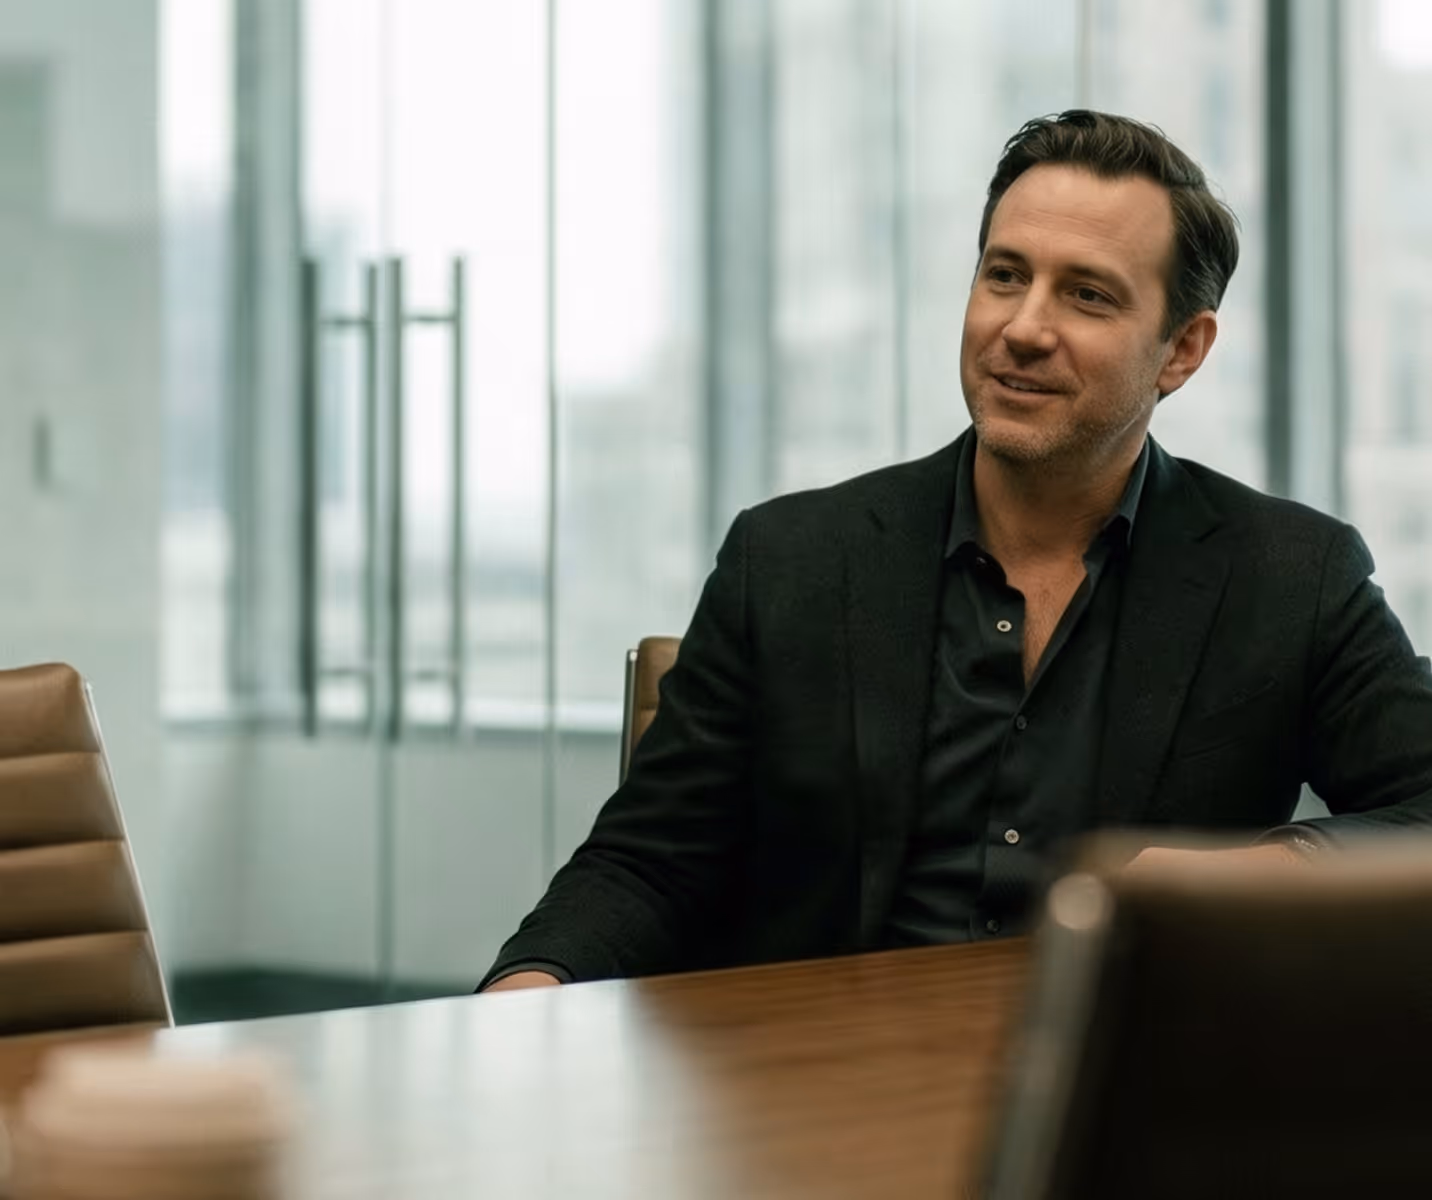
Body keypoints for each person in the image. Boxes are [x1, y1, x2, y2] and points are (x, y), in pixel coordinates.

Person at [480, 109, 1432, 992]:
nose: (1022, 328)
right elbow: (650, 862)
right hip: (818, 1099)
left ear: (1181, 350)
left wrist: (1270, 865)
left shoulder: (1293, 577)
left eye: (1087, 296)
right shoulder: (790, 559)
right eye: (1005, 274)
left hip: (1126, 1096)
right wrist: (530, 987)